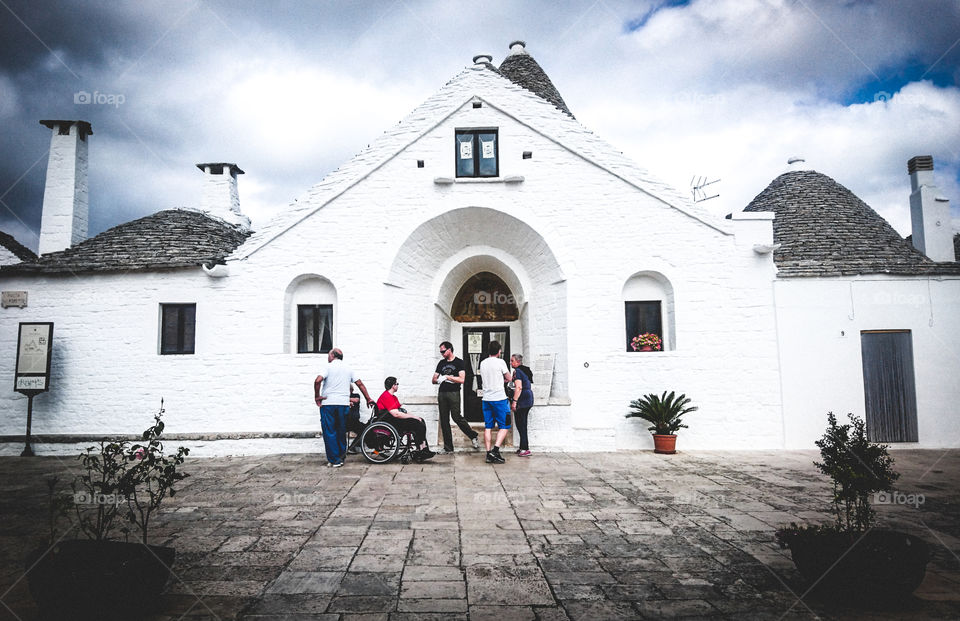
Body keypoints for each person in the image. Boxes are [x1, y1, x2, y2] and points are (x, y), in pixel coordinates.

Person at [313, 348, 375, 468]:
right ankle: (341, 457)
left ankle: (334, 460)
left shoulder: (327, 367)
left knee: (330, 431)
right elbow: (360, 384)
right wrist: (368, 398)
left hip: (328, 403)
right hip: (343, 404)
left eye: (328, 354)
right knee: (341, 430)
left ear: (332, 356)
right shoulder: (348, 368)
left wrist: (317, 396)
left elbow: (317, 381)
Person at [432, 341, 480, 453]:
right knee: (444, 420)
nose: (442, 354)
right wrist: (439, 379)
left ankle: (473, 435)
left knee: (456, 416)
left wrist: (448, 377)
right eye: (440, 352)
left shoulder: (459, 362)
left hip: (454, 393)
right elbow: (434, 379)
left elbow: (462, 379)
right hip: (442, 393)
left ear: (449, 349)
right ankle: (448, 448)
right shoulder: (441, 363)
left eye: (443, 351)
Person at [376, 376, 436, 462]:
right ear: (393, 385)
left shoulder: (393, 397)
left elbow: (401, 411)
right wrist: (413, 417)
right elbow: (396, 414)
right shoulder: (387, 396)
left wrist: (415, 416)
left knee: (420, 420)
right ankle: (421, 449)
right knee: (416, 424)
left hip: (393, 419)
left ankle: (423, 448)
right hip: (390, 421)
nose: (398, 386)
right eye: (397, 384)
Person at [478, 340, 512, 464]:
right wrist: (500, 381)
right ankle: (495, 450)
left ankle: (488, 454)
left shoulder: (482, 363)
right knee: (505, 425)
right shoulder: (500, 362)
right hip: (499, 399)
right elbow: (508, 378)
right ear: (499, 351)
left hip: (486, 399)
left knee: (488, 427)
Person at [510, 353, 534, 457]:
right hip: (528, 398)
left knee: (521, 424)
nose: (510, 362)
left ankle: (525, 449)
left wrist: (514, 401)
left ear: (518, 362)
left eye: (512, 361)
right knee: (521, 424)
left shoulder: (518, 371)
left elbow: (518, 387)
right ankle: (522, 447)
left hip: (522, 400)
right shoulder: (525, 370)